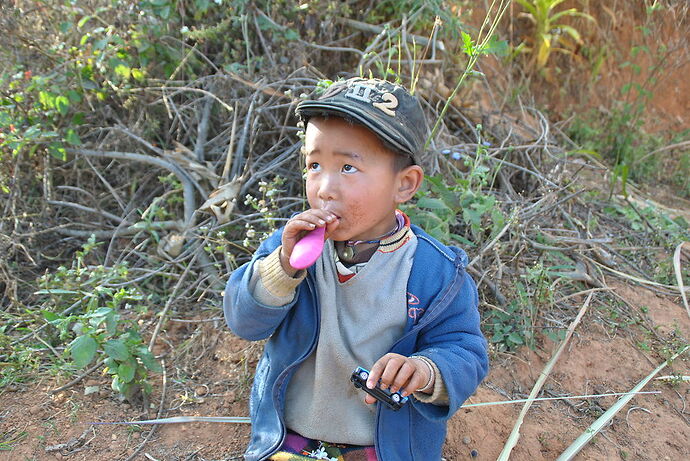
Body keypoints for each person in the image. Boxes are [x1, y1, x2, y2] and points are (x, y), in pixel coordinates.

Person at [224, 77, 489, 461]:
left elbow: (466, 351)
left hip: (385, 447)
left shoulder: (435, 272)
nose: (325, 188)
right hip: (291, 438)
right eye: (315, 165)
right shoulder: (291, 250)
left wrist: (425, 370)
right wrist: (282, 269)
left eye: (348, 167)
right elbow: (243, 322)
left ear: (405, 184)